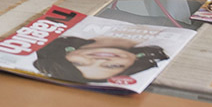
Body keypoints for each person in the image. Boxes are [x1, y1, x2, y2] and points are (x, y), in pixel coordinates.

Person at [33, 36, 171, 83]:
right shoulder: (166, 43)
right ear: (133, 64)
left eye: (78, 63)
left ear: (64, 55)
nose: (100, 60)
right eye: (112, 67)